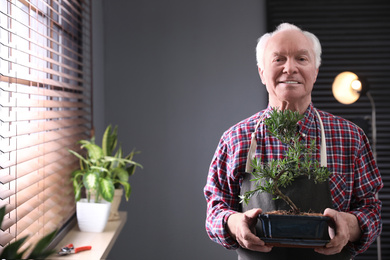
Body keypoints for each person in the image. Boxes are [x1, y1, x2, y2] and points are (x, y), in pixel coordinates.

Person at [204, 23, 383, 260]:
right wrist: (235, 224)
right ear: (261, 71)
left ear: (316, 70)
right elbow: (215, 211)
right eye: (278, 59)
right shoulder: (236, 139)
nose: (290, 68)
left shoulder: (350, 137)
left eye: (301, 58)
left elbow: (371, 210)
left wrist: (348, 225)